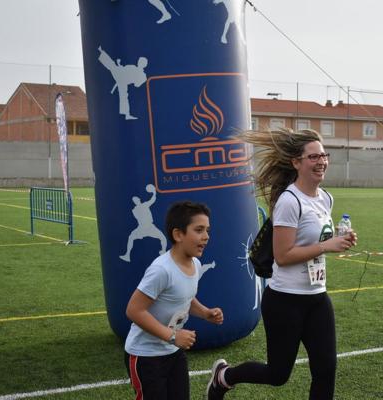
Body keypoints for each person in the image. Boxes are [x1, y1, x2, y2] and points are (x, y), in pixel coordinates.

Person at [206, 128, 358, 400]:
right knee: (278, 375)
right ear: (296, 162)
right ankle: (224, 376)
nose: (321, 161)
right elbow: (284, 255)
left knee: (326, 369)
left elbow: (314, 239)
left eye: (324, 155)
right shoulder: (289, 201)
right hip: (285, 301)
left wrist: (339, 240)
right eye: (313, 156)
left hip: (317, 297)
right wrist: (327, 245)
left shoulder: (326, 198)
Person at [124, 201, 224, 400]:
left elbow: (185, 297)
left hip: (173, 353)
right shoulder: (161, 270)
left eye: (207, 230)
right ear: (178, 234)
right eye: (199, 230)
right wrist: (172, 336)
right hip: (145, 356)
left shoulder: (195, 263)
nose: (206, 237)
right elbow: (134, 311)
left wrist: (205, 313)